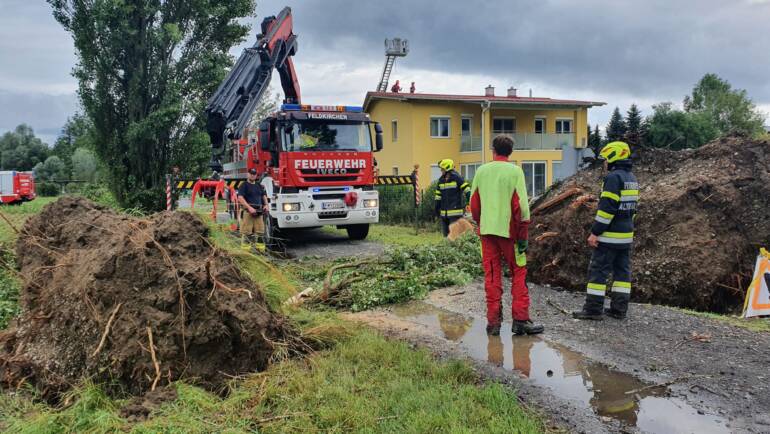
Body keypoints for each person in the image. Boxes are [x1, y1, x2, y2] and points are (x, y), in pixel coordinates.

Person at [470, 135, 543, 336]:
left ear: (493, 150)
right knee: (519, 273)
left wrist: (480, 222)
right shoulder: (515, 172)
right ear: (510, 152)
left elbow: (474, 203)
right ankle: (520, 321)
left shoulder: (481, 171)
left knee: (492, 276)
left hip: (487, 232)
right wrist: (523, 236)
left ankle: (493, 323)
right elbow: (522, 207)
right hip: (510, 233)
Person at [573, 141, 638, 320]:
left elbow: (607, 210)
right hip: (625, 236)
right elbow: (633, 209)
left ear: (613, 157)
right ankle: (619, 309)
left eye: (605, 159)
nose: (604, 163)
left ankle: (593, 310)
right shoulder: (631, 178)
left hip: (609, 237)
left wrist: (595, 232)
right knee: (622, 273)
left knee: (598, 272)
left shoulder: (613, 178)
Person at [434, 159, 470, 237]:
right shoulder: (441, 180)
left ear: (447, 168)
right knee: (446, 237)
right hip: (444, 215)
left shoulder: (457, 178)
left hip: (455, 214)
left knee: (455, 237)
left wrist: (470, 202)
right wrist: (436, 210)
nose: (441, 170)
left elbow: (467, 190)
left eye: (442, 169)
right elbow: (438, 197)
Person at [237, 168, 269, 251]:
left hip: (258, 213)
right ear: (248, 174)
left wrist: (266, 205)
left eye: (254, 174)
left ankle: (261, 252)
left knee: (260, 233)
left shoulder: (259, 185)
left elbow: (263, 195)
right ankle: (246, 253)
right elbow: (240, 198)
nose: (252, 175)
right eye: (251, 173)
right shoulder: (243, 185)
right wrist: (249, 207)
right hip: (248, 213)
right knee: (247, 233)